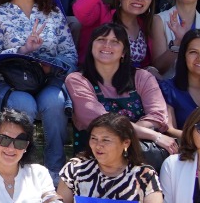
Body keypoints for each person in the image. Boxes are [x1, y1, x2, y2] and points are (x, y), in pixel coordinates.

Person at [0, 0, 77, 173]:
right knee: (25, 106)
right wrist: (22, 51)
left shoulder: (52, 14)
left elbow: (70, 55)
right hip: (10, 83)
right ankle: (24, 169)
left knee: (55, 103)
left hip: (47, 81)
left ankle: (55, 171)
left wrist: (50, 65)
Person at [64, 23, 178, 161]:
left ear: (124, 52)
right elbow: (100, 121)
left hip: (141, 155)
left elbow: (158, 115)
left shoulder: (142, 77)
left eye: (115, 42)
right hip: (94, 157)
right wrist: (154, 136)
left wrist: (132, 137)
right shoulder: (77, 80)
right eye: (101, 40)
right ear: (91, 47)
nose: (107, 45)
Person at [72, 0, 167, 71]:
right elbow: (79, 9)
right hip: (94, 79)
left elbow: (145, 64)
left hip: (133, 83)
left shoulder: (146, 25)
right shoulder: (102, 13)